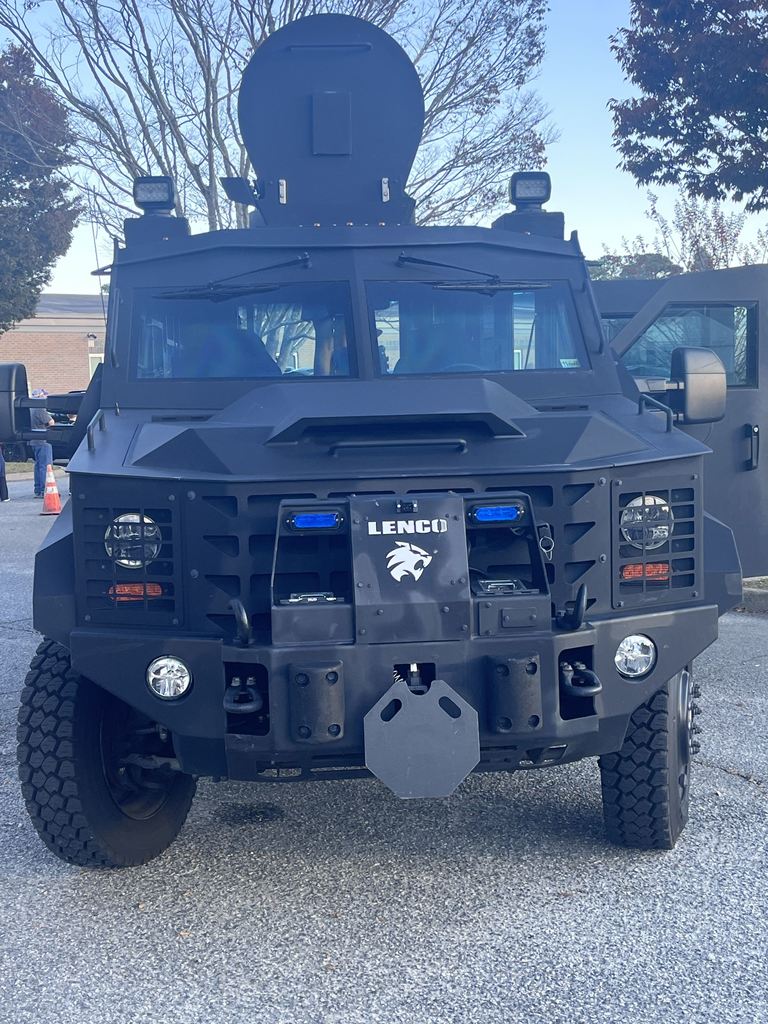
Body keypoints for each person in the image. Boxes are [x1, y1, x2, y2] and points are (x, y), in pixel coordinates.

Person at [29, 388, 54, 498]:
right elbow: (51, 423)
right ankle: (45, 489)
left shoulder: (29, 409)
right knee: (45, 466)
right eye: (44, 396)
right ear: (39, 396)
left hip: (32, 441)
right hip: (42, 440)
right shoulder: (40, 409)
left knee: (38, 465)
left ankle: (38, 489)